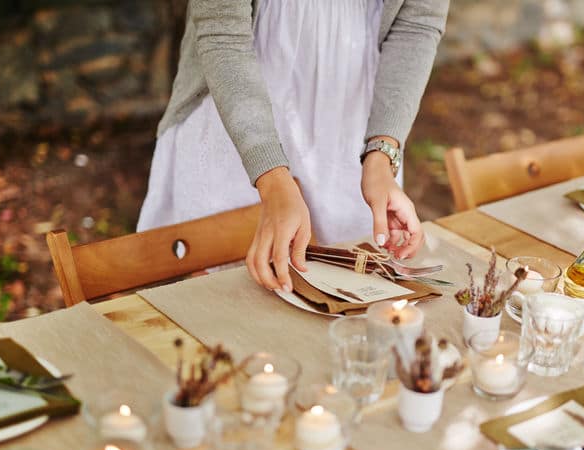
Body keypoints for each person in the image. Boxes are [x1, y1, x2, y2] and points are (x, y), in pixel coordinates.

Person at [138, 0, 449, 292]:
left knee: (346, 301)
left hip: (353, 127)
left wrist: (382, 154)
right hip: (236, 117)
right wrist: (270, 178)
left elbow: (417, 25)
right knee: (222, 304)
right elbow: (223, 34)